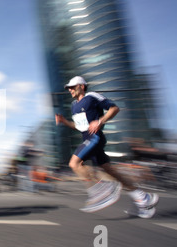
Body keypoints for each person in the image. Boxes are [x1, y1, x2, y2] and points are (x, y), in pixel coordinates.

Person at [55, 76, 158, 218]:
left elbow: (114, 108)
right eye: (69, 88)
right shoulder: (73, 106)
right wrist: (64, 121)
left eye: (73, 87)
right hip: (87, 138)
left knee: (74, 163)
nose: (70, 90)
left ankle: (99, 191)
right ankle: (143, 197)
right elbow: (79, 127)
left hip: (95, 138)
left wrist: (100, 121)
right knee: (110, 171)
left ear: (82, 86)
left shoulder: (92, 97)